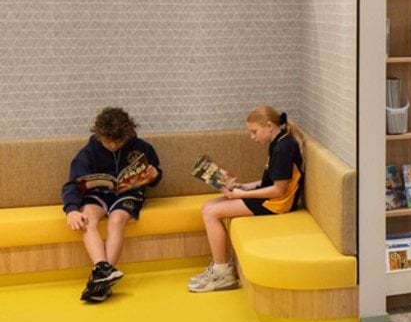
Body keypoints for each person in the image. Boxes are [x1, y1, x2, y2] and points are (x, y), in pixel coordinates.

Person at [188, 106, 304, 293]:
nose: (252, 137)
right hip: (270, 197)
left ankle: (222, 272)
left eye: (254, 131)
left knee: (212, 212)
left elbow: (278, 190)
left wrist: (241, 195)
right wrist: (245, 186)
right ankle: (220, 267)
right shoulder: (277, 143)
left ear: (269, 125)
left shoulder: (284, 147)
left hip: (276, 204)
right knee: (207, 206)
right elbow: (272, 180)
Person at [62, 107, 162, 303]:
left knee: (116, 219)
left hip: (129, 193)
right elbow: (72, 184)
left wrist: (154, 175)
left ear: (128, 134)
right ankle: (103, 270)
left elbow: (154, 173)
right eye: (108, 142)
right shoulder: (88, 152)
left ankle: (101, 281)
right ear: (99, 136)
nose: (114, 146)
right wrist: (71, 210)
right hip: (97, 194)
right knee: (87, 218)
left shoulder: (142, 147)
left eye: (119, 142)